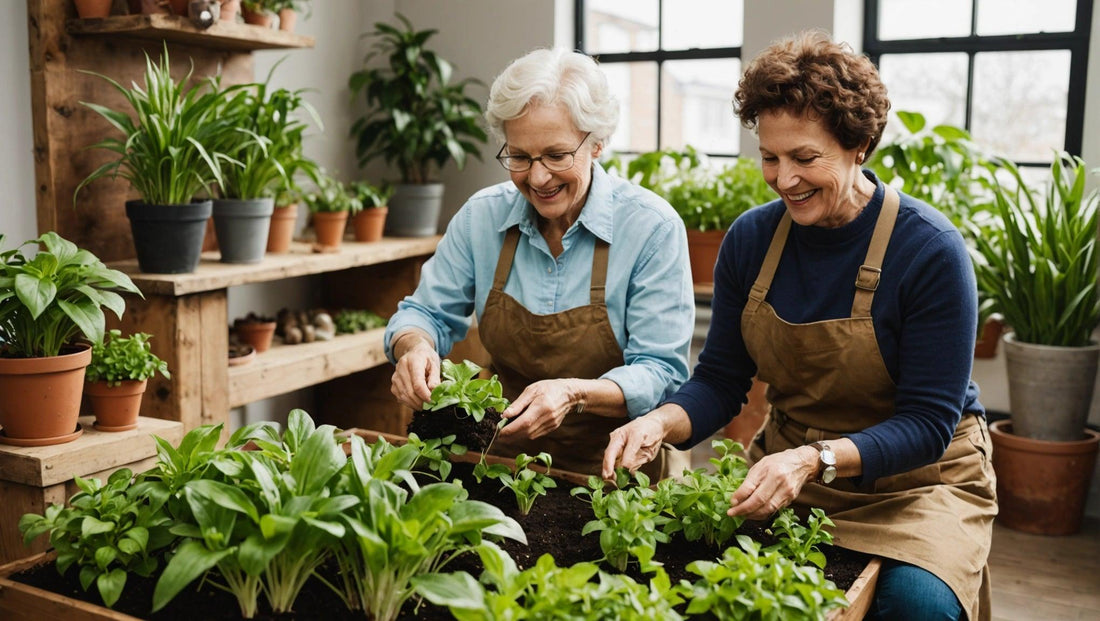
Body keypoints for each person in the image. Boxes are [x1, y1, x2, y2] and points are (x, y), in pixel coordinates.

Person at [602, 30, 997, 621]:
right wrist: (659, 421)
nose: (784, 179)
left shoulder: (931, 251)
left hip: (920, 484)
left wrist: (813, 460)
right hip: (786, 470)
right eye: (769, 157)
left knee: (916, 608)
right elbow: (721, 379)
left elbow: (928, 422)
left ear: (859, 144)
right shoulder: (752, 240)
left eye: (805, 158)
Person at [385, 47, 695, 477]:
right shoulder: (482, 217)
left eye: (556, 155)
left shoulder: (651, 228)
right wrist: (414, 348)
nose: (537, 177)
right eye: (519, 156)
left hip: (617, 469)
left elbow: (660, 371)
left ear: (598, 143)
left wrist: (573, 393)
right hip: (502, 463)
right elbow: (422, 313)